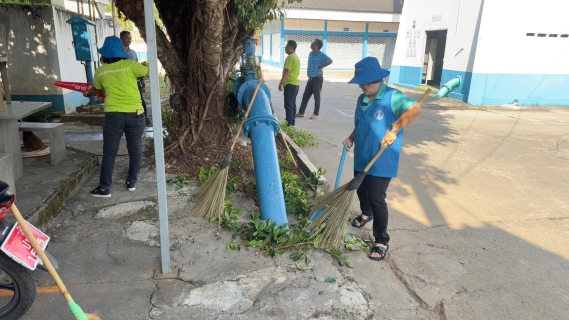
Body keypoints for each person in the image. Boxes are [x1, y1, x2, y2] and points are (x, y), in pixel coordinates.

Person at [342, 57, 421, 261]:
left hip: (382, 158)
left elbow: (415, 109)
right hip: (362, 154)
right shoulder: (363, 99)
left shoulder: (394, 97)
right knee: (360, 188)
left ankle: (381, 240)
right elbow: (360, 121)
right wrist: (351, 137)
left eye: (367, 82)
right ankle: (366, 213)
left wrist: (394, 129)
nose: (363, 86)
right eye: (361, 82)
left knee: (377, 197)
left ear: (379, 79)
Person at [83, 36, 149, 198]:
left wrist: (87, 93)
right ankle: (131, 182)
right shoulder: (131, 66)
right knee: (135, 150)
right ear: (121, 51)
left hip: (113, 116)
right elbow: (148, 73)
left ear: (105, 54)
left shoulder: (101, 71)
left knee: (110, 152)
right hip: (136, 114)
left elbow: (95, 89)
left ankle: (105, 188)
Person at [296, 39, 332, 120]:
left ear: (317, 46)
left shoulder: (321, 55)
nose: (311, 44)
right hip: (311, 79)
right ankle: (301, 112)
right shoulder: (311, 54)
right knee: (305, 96)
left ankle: (315, 114)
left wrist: (322, 66)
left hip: (317, 79)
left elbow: (330, 61)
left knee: (317, 97)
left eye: (313, 43)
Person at [120, 31, 148, 119]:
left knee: (140, 101)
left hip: (134, 82)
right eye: (126, 38)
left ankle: (143, 118)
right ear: (121, 38)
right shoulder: (116, 53)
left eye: (130, 38)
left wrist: (142, 80)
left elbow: (137, 69)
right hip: (121, 83)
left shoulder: (133, 53)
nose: (129, 40)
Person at [278, 40, 301, 126]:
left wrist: (281, 83)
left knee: (288, 104)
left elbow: (287, 71)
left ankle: (289, 122)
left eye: (286, 46)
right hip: (295, 84)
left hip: (290, 84)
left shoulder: (290, 58)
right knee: (292, 104)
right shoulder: (295, 57)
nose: (285, 48)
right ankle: (292, 121)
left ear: (291, 48)